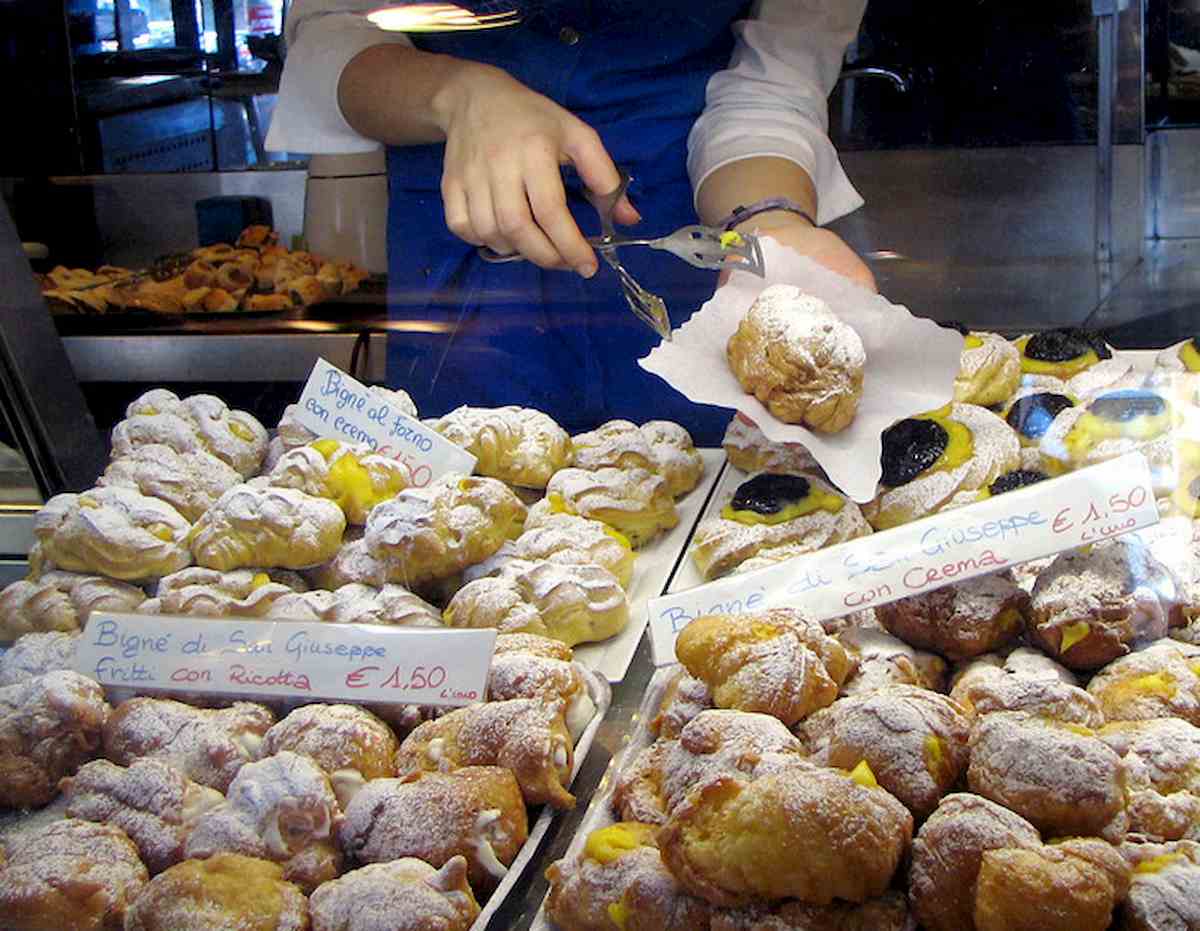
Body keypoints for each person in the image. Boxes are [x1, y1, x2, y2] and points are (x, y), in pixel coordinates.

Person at [266, 0, 872, 444]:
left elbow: (771, 83)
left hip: (687, 261)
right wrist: (458, 96)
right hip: (468, 273)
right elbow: (329, 35)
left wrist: (768, 223)